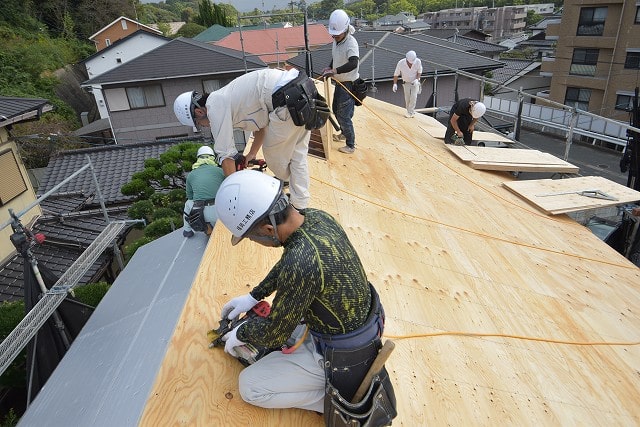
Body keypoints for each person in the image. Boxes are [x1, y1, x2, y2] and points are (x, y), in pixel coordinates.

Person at [214, 170, 396, 425]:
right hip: (360, 327)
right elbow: (287, 266)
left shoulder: (301, 261)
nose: (256, 242)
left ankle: (333, 398)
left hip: (340, 354)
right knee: (287, 322)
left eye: (253, 238)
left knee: (250, 387)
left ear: (268, 229)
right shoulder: (316, 218)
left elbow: (275, 333)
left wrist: (241, 335)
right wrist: (255, 295)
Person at [174, 67, 324, 211]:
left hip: (287, 99)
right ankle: (299, 206)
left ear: (200, 112)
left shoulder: (215, 105)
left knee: (276, 161)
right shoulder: (229, 99)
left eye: (199, 123)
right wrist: (251, 154)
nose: (204, 126)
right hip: (301, 91)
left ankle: (294, 198)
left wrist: (234, 197)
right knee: (297, 155)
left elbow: (226, 156)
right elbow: (260, 127)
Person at [323, 9, 360, 155]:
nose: (334, 36)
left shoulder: (351, 43)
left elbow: (353, 63)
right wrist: (330, 67)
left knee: (343, 115)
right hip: (340, 83)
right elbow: (336, 56)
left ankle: (350, 145)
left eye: (337, 34)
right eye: (333, 34)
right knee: (336, 110)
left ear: (345, 30)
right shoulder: (337, 40)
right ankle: (344, 133)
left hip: (348, 84)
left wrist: (335, 71)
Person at [182, 145, 226, 238]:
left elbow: (190, 197)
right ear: (213, 158)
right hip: (223, 213)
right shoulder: (221, 171)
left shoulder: (191, 175)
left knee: (188, 204)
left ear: (198, 158)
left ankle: (188, 231)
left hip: (201, 214)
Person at [393, 50, 423, 118]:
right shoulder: (401, 63)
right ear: (406, 59)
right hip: (406, 82)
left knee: (413, 97)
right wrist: (395, 84)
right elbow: (396, 73)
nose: (411, 64)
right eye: (410, 63)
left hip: (415, 82)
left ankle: (410, 112)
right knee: (407, 98)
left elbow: (419, 71)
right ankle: (409, 111)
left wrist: (417, 79)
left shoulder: (418, 61)